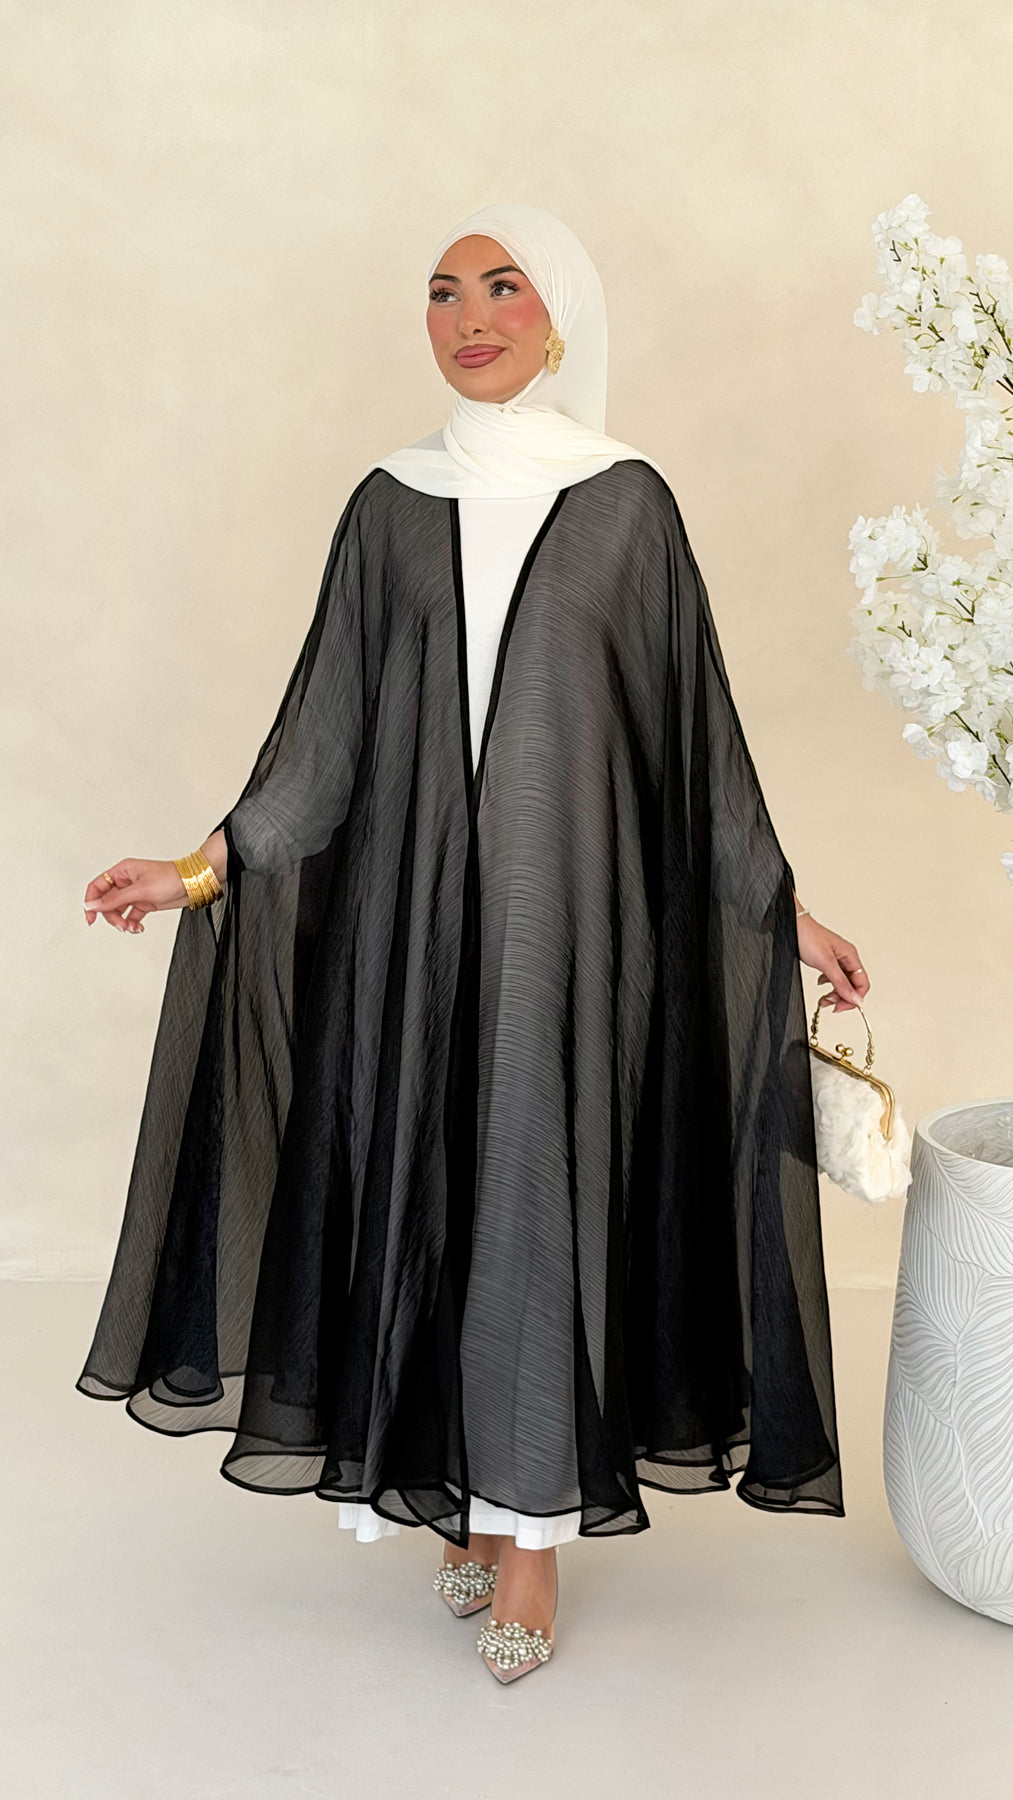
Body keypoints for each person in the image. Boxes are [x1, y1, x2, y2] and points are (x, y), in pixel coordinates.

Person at [78, 202, 869, 1686]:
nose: (470, 318)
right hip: (410, 942)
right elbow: (322, 743)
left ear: (559, 315)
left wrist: (782, 909)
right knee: (426, 1195)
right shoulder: (390, 504)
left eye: (504, 287)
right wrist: (193, 871)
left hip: (565, 946)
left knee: (534, 1197)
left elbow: (691, 744)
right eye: (442, 293)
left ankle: (530, 1534)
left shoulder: (625, 505)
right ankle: (452, 1482)